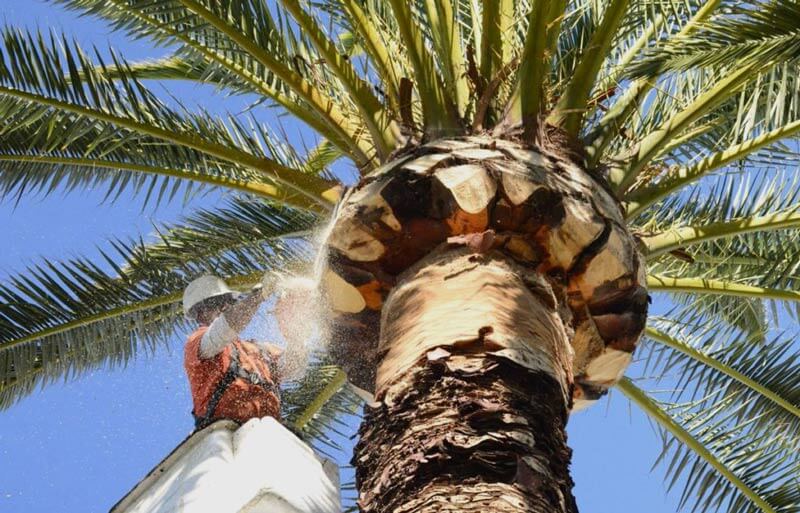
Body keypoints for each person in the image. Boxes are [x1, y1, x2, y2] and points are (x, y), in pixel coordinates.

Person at [182, 274, 309, 430]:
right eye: (218, 303)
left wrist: (295, 329)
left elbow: (295, 368)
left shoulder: (258, 349)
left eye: (228, 302)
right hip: (223, 434)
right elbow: (224, 328)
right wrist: (259, 296)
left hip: (270, 432)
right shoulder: (198, 342)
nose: (226, 307)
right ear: (200, 313)